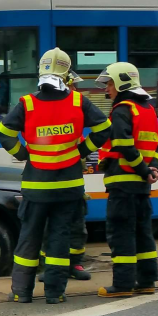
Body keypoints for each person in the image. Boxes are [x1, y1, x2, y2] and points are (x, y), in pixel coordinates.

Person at [0, 48, 111, 304]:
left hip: (36, 186)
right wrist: (81, 149)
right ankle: (55, 293)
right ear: (66, 72)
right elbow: (104, 128)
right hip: (67, 188)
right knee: (60, 239)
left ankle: (21, 292)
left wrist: (24, 153)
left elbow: (4, 132)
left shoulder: (27, 103)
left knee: (29, 238)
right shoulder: (78, 102)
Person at [94, 62, 158, 298]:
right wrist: (153, 169)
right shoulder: (148, 109)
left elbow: (123, 145)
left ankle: (123, 284)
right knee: (143, 232)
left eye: (110, 83)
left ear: (122, 82)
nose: (107, 89)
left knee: (121, 232)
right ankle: (146, 281)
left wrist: (144, 170)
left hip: (123, 184)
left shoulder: (123, 109)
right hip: (142, 187)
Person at [39, 70, 93, 282]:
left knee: (76, 226)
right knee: (51, 227)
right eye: (73, 85)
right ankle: (50, 267)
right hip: (50, 181)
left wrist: (81, 155)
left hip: (72, 181)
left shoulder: (74, 109)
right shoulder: (47, 109)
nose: (75, 90)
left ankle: (75, 263)